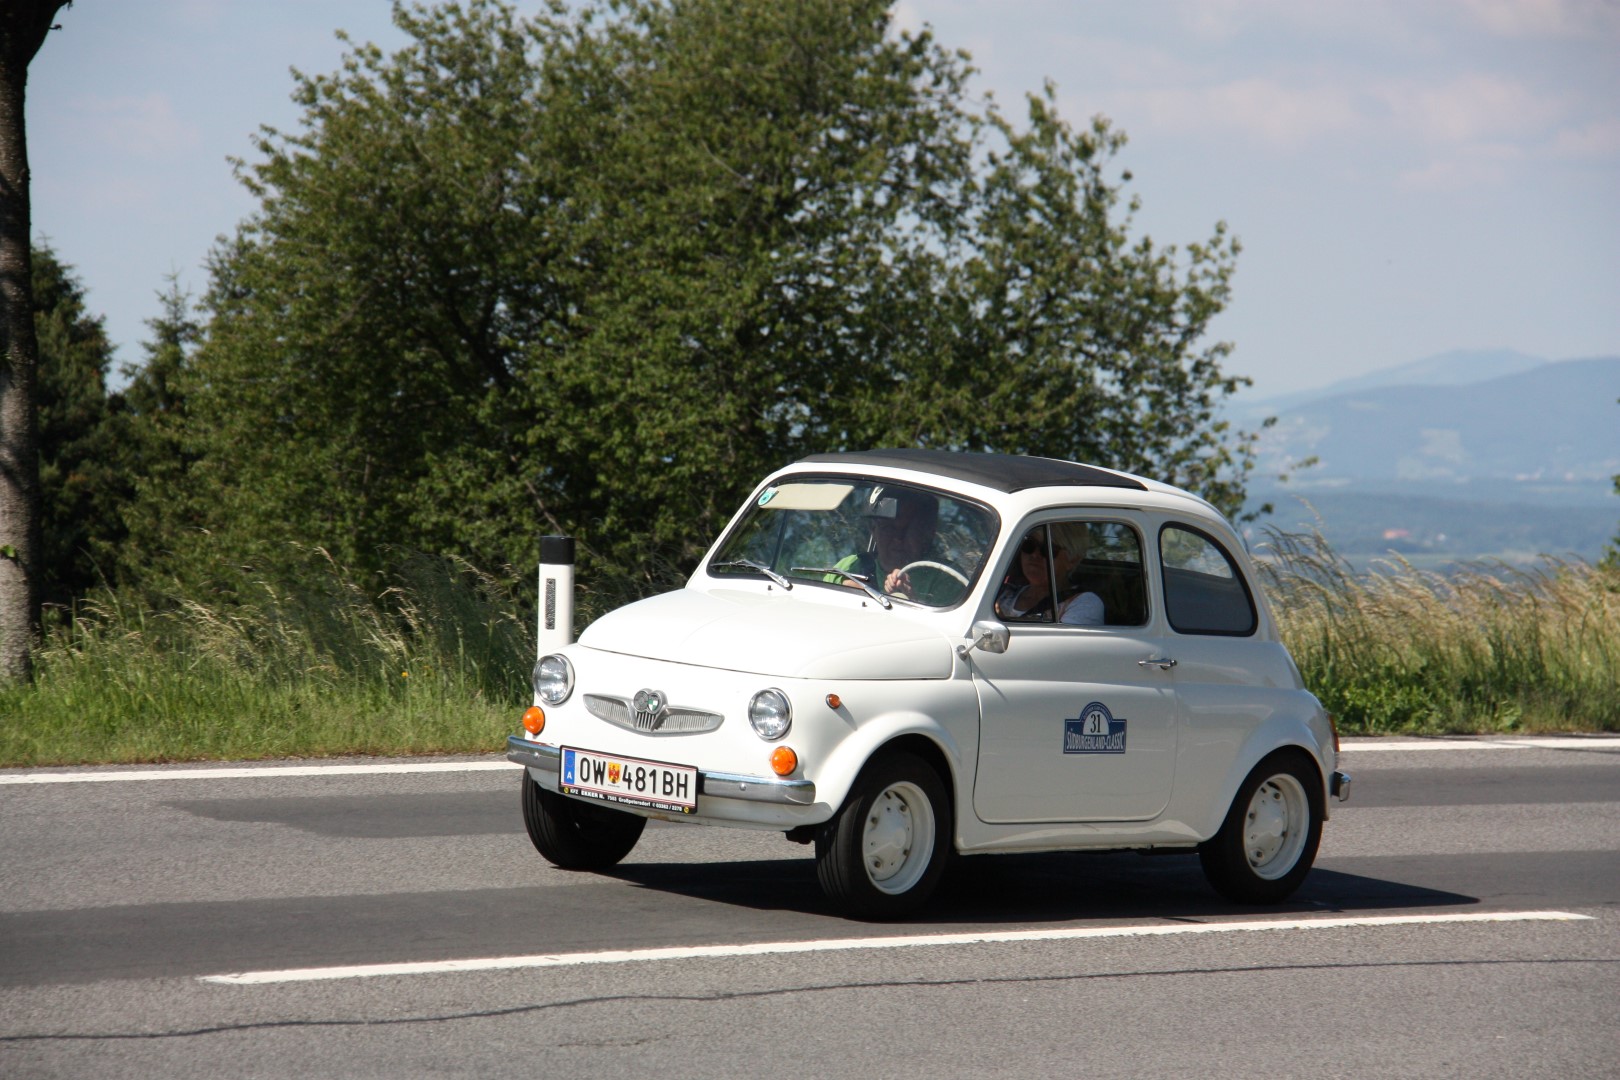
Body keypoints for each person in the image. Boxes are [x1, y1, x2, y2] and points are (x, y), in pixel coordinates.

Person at [831, 487, 952, 602]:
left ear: (927, 532)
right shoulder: (850, 567)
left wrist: (912, 602)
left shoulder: (946, 578)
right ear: (873, 530)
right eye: (889, 528)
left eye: (909, 529)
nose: (898, 538)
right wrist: (843, 595)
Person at [995, 523, 1104, 625]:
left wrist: (998, 622)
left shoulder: (1085, 603)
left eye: (1047, 549)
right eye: (1029, 545)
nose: (1035, 555)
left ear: (1072, 560)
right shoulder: (999, 594)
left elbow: (1061, 645)